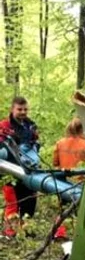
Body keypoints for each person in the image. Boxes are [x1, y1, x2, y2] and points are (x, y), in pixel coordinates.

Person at [1, 96, 40, 239]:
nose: (23, 112)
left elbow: (35, 145)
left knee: (30, 201)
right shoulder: (5, 126)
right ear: (12, 109)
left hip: (29, 170)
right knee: (13, 202)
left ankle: (26, 230)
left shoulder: (31, 125)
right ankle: (9, 232)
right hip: (10, 171)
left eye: (25, 109)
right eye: (19, 109)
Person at [51, 117, 85, 239]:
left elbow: (55, 163)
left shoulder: (60, 143)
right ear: (82, 129)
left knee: (63, 208)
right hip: (80, 183)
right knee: (80, 210)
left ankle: (59, 232)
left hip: (62, 182)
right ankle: (79, 235)